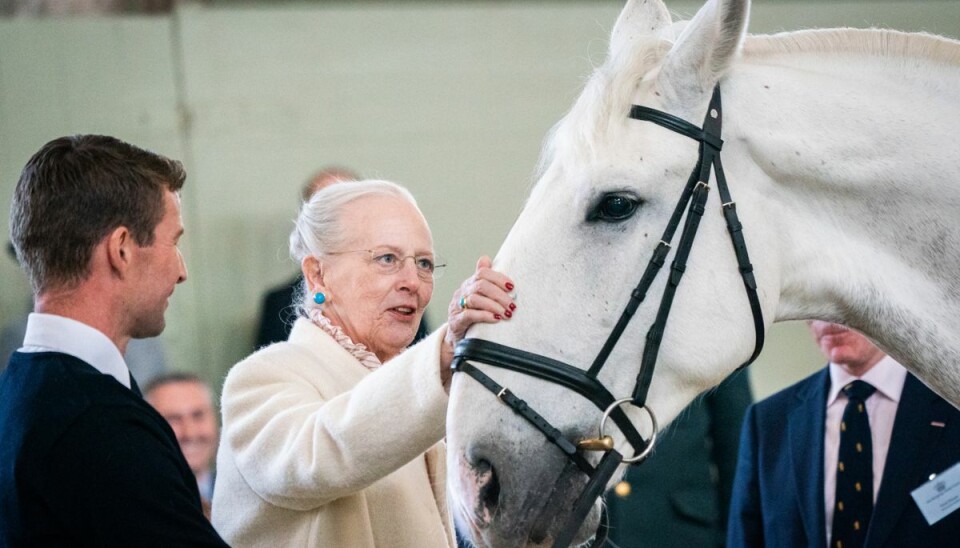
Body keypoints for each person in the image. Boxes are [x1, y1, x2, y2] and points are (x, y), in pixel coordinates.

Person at [211, 179, 516, 547]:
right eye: (386, 259)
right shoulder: (259, 378)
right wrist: (442, 352)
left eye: (424, 263)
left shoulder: (426, 387)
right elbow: (320, 457)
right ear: (317, 273)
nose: (412, 282)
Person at [0, 135, 227, 546]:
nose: (181, 271)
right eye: (173, 242)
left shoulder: (17, 390)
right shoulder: (101, 426)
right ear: (121, 249)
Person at [727, 321, 960, 547]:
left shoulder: (951, 405)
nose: (830, 318)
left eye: (842, 300)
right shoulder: (769, 421)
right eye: (818, 303)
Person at [605, 370, 752, 547]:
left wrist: (740, 538)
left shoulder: (711, 343)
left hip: (683, 528)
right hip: (596, 526)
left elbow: (736, 446)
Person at [145, 373, 219, 515]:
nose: (190, 433)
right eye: (173, 419)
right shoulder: (140, 505)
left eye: (198, 416)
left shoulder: (247, 498)